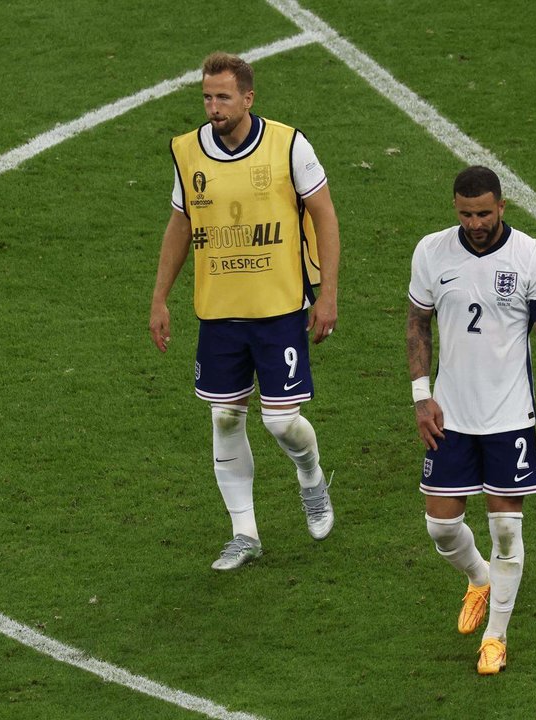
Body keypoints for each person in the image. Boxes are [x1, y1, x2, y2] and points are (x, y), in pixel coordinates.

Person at [149, 52, 340, 570]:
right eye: (208, 97)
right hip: (219, 312)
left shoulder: (288, 145)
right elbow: (180, 224)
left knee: (281, 424)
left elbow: (324, 215)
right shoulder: (188, 153)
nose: (214, 107)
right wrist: (160, 298)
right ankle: (244, 532)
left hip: (279, 306)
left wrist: (328, 294)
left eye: (223, 97)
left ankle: (311, 477)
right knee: (226, 415)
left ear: (248, 98)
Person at [406, 166, 536, 675]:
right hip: (451, 415)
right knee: (441, 526)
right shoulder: (432, 252)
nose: (474, 222)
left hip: (509, 418)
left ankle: (495, 638)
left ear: (502, 207)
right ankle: (479, 579)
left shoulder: (532, 258)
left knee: (504, 530)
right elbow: (417, 325)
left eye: (483, 213)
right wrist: (420, 397)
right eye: (465, 213)